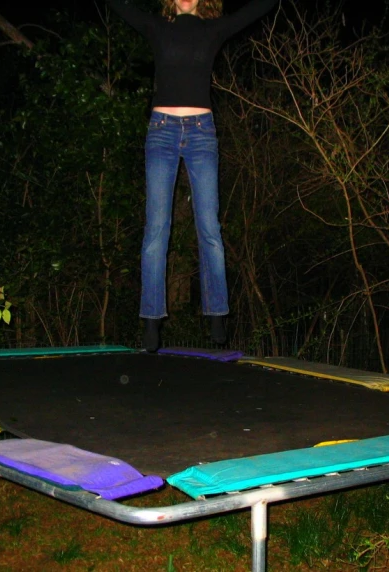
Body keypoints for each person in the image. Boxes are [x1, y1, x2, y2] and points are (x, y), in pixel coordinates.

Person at [109, 0, 279, 352]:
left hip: (202, 133)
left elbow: (255, 10)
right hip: (161, 131)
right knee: (156, 230)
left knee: (210, 228)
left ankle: (217, 315)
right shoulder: (158, 27)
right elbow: (122, 8)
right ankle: (151, 322)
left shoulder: (213, 30)